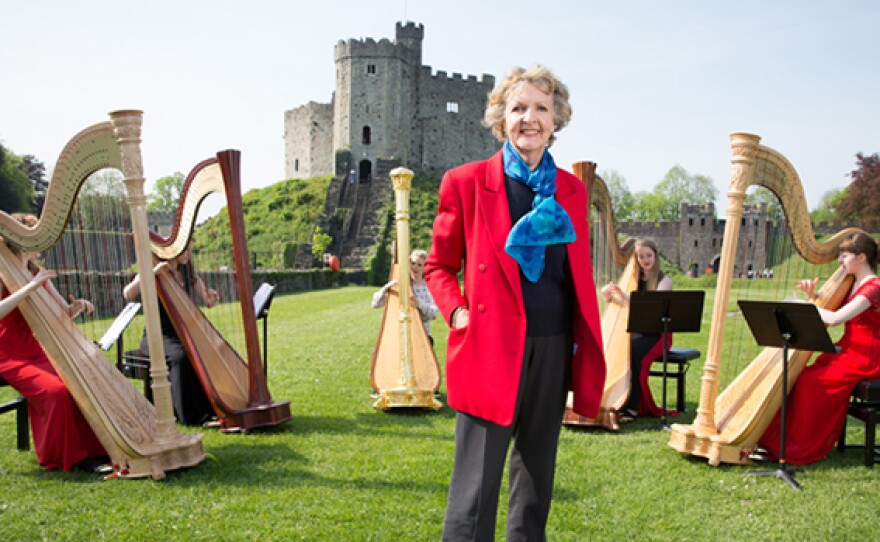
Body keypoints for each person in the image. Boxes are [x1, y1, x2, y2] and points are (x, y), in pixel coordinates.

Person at [425, 64, 605, 541]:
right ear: (501, 117)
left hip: (552, 346)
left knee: (535, 482)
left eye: (541, 108)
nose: (530, 118)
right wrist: (459, 313)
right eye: (518, 108)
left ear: (556, 118)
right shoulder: (465, 183)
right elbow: (438, 267)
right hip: (489, 344)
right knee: (475, 489)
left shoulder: (571, 190)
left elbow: (575, 276)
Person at [757, 231, 880, 465]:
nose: (840, 261)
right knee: (801, 375)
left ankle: (800, 446)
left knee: (812, 382)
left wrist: (803, 306)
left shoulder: (873, 287)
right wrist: (813, 297)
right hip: (849, 350)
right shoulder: (853, 283)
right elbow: (826, 314)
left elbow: (834, 319)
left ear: (861, 257)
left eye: (845, 255)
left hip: (868, 355)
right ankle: (781, 440)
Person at [0, 213, 107, 473]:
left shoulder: (39, 274)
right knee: (55, 392)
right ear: (19, 240)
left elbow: (63, 313)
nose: (42, 240)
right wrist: (28, 288)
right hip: (8, 354)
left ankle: (93, 450)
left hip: (36, 351)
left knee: (75, 382)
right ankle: (65, 457)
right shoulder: (3, 273)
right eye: (34, 235)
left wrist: (78, 307)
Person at [123, 240, 219, 426]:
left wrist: (212, 298)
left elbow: (207, 300)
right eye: (186, 251)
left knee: (205, 352)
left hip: (183, 334)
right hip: (157, 336)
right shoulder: (152, 269)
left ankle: (211, 407)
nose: (189, 255)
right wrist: (153, 273)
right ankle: (191, 415)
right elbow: (127, 293)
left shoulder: (189, 274)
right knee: (181, 357)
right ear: (174, 250)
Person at [601, 239, 674, 420]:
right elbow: (622, 305)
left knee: (634, 352)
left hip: (658, 335)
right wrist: (608, 296)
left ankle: (633, 407)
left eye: (649, 255)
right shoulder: (634, 279)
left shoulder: (664, 281)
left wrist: (625, 296)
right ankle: (620, 400)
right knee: (624, 349)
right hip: (639, 331)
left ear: (656, 256)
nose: (645, 260)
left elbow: (650, 308)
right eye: (641, 256)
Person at [371, 249, 439, 344]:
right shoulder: (400, 284)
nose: (415, 267)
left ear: (425, 268)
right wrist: (385, 288)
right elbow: (375, 304)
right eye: (413, 263)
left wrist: (417, 303)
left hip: (422, 334)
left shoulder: (429, 287)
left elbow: (434, 313)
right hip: (400, 332)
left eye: (419, 265)